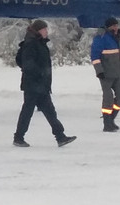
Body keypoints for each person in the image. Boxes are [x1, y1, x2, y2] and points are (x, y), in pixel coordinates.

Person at [13, 19, 76, 148]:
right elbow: (26, 63)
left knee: (49, 111)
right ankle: (19, 137)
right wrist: (39, 74)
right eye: (45, 29)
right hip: (33, 84)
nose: (47, 31)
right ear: (39, 30)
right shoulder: (31, 43)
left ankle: (60, 136)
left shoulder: (38, 42)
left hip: (40, 85)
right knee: (28, 111)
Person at [91, 16, 120, 132]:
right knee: (108, 99)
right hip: (106, 74)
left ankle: (111, 119)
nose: (116, 27)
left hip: (118, 73)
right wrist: (99, 71)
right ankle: (107, 123)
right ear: (108, 27)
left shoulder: (119, 38)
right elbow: (95, 56)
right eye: (113, 25)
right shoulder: (101, 38)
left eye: (116, 25)